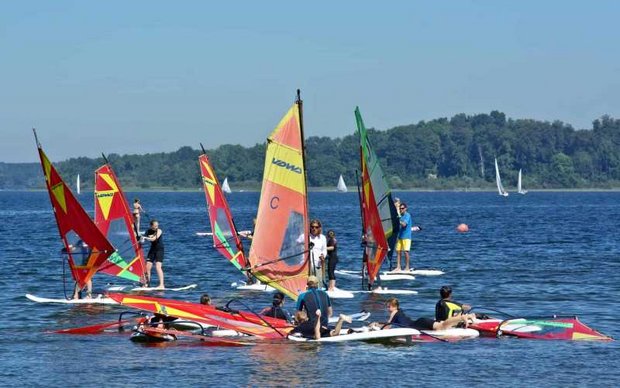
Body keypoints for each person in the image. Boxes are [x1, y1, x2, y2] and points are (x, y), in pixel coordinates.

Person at [371, 298, 475, 331]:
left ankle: (462, 317)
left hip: (418, 325)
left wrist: (375, 326)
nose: (388, 308)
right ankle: (463, 318)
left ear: (394, 307)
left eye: (389, 306)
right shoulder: (400, 311)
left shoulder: (394, 312)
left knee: (441, 326)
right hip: (421, 321)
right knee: (443, 325)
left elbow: (387, 326)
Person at [143, 219, 165, 289]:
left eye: (157, 225)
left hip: (159, 250)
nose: (156, 227)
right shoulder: (148, 231)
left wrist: (145, 237)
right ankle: (147, 284)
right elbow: (143, 240)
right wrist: (141, 239)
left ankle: (161, 285)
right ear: (151, 226)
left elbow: (153, 239)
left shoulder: (159, 231)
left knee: (158, 267)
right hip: (152, 249)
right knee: (147, 267)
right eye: (155, 226)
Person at [394, 203, 413, 272]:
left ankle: (407, 267)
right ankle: (398, 267)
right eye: (400, 208)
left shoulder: (407, 215)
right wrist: (397, 206)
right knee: (398, 251)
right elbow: (397, 214)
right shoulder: (400, 215)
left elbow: (404, 224)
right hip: (400, 236)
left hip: (407, 236)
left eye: (402, 208)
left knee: (406, 252)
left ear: (405, 208)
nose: (401, 210)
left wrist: (398, 220)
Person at [308, 219, 327, 286]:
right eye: (312, 227)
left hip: (318, 265)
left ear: (319, 228)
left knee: (318, 285)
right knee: (308, 285)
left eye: (316, 227)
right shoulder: (305, 236)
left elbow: (324, 250)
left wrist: (323, 255)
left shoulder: (322, 238)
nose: (314, 229)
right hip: (307, 266)